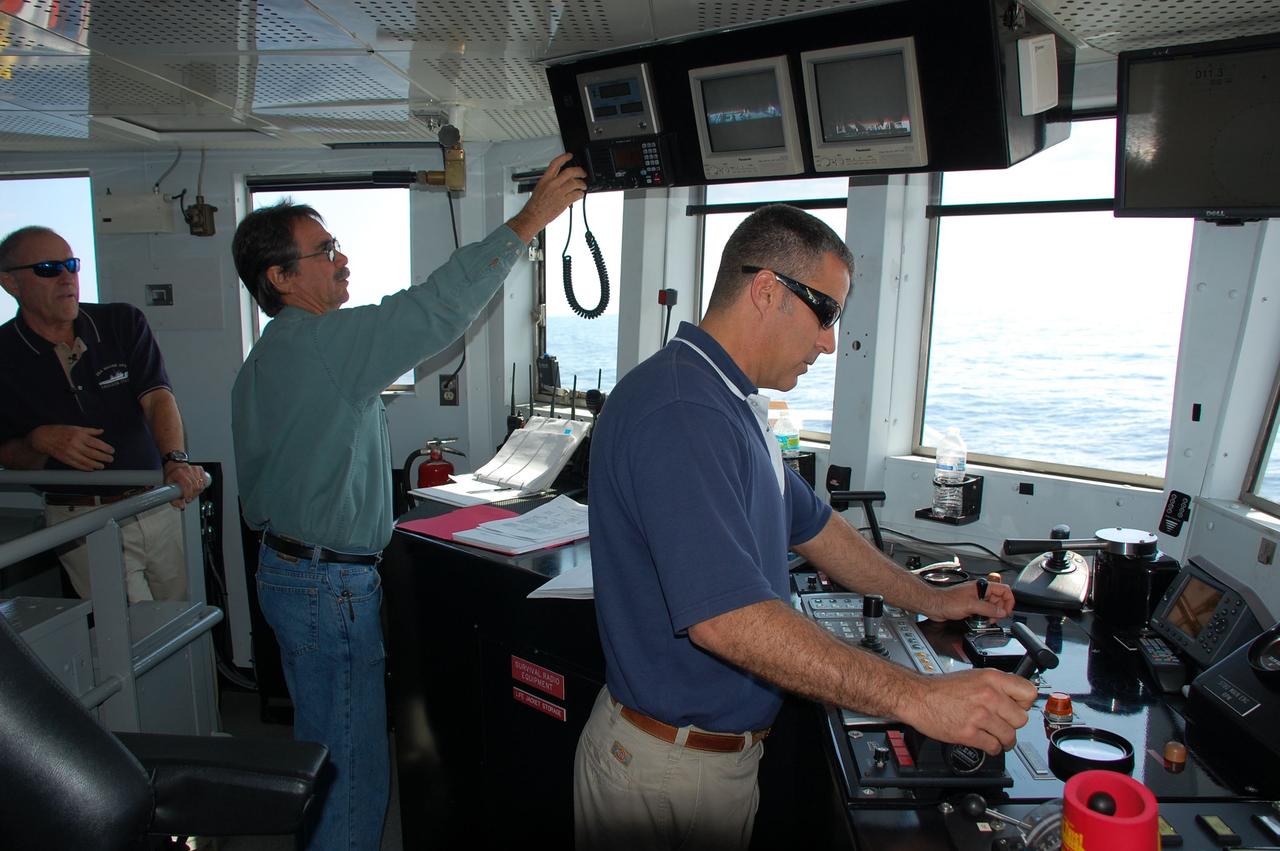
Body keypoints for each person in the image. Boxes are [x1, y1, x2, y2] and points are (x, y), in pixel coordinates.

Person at [574, 204, 1037, 850]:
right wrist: (920, 697)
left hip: (706, 763)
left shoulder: (729, 401)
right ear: (766, 289)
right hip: (667, 775)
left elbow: (818, 530)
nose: (829, 341)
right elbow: (728, 619)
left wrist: (932, 599)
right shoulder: (681, 410)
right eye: (826, 312)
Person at [229, 153, 585, 851]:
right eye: (324, 249)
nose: (342, 257)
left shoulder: (264, 361)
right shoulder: (325, 342)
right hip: (330, 585)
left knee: (321, 750)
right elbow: (433, 309)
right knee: (353, 767)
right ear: (280, 277)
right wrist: (528, 222)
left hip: (285, 570)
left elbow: (261, 489)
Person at [0, 226, 207, 604]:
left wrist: (175, 461)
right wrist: (38, 440)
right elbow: (6, 452)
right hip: (81, 520)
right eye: (48, 268)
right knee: (133, 632)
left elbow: (158, 398)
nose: (67, 278)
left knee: (185, 619)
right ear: (11, 283)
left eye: (71, 265)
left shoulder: (121, 323)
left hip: (155, 502)